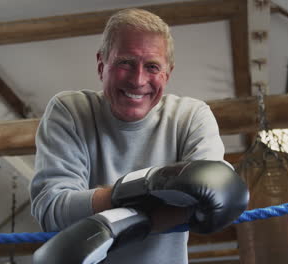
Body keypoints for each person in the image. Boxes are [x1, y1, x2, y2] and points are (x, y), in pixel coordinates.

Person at [30, 8, 234, 264]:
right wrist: (155, 191)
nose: (138, 80)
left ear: (167, 74)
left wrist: (110, 213)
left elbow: (211, 194)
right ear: (101, 65)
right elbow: (53, 208)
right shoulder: (70, 111)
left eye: (152, 67)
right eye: (125, 62)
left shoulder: (191, 116)